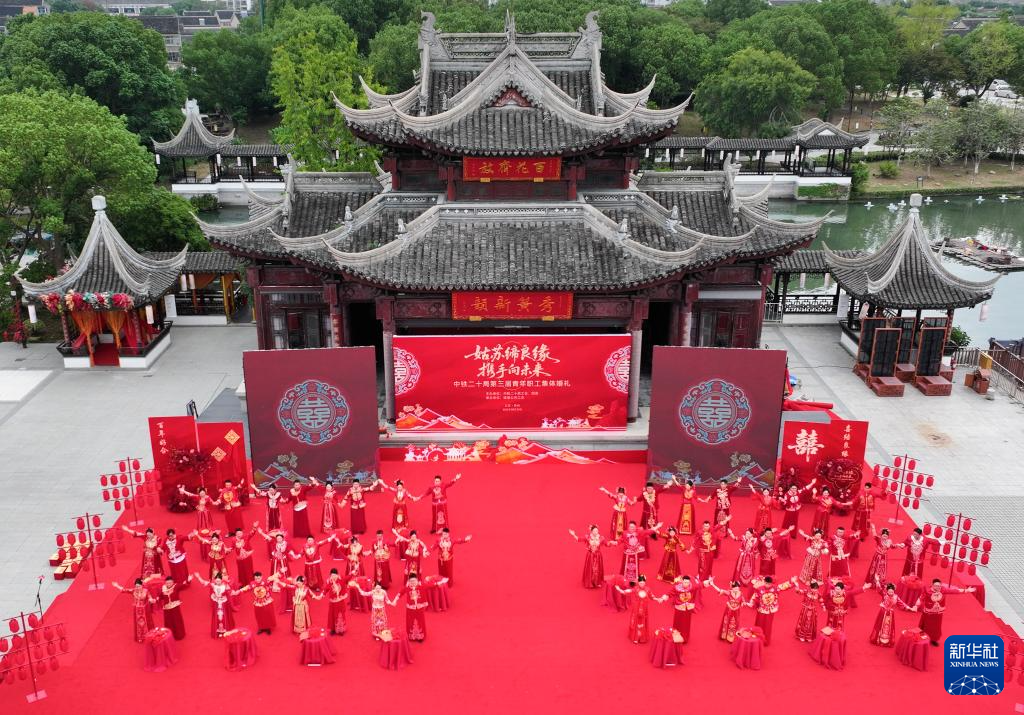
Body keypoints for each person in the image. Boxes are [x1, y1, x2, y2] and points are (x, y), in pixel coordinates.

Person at [915, 579, 975, 646]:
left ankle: (934, 639)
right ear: (932, 585)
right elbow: (921, 598)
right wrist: (916, 606)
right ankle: (924, 637)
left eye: (939, 586)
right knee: (926, 625)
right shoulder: (927, 590)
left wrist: (966, 590)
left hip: (938, 613)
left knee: (936, 627)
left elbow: (954, 591)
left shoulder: (943, 590)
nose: (937, 587)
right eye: (936, 586)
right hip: (929, 612)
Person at [615, 575, 668, 644]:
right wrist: (620, 590)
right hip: (636, 608)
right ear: (638, 582)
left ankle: (642, 637)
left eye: (643, 583)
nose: (642, 584)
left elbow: (652, 597)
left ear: (645, 582)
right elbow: (628, 591)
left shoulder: (648, 589)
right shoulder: (635, 589)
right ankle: (635, 637)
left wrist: (658, 599)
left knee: (642, 622)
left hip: (644, 608)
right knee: (636, 621)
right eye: (640, 583)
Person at [705, 577, 751, 643]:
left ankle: (731, 637)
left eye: (738, 588)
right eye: (735, 588)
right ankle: (724, 635)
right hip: (729, 610)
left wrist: (744, 603)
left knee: (734, 623)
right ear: (732, 588)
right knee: (726, 621)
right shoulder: (729, 592)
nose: (736, 589)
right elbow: (719, 590)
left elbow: (743, 601)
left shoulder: (741, 594)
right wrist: (713, 584)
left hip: (736, 611)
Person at [751, 576, 793, 645]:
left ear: (771, 583)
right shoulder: (759, 589)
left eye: (769, 584)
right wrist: (753, 604)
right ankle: (756, 639)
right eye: (766, 583)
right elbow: (755, 598)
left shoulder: (775, 588)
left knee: (768, 625)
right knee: (759, 624)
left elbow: (783, 586)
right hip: (761, 610)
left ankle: (765, 640)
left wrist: (791, 582)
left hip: (770, 610)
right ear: (764, 582)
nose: (767, 585)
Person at [869, 583, 915, 647]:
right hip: (883, 612)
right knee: (880, 625)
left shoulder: (896, 597)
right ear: (887, 591)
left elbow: (901, 603)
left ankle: (887, 641)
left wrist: (909, 608)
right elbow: (879, 589)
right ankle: (878, 639)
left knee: (889, 626)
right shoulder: (884, 594)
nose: (891, 593)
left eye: (892, 591)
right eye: (889, 591)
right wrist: (877, 582)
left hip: (890, 613)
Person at [192, 571, 236, 638]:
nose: (217, 582)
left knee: (224, 616)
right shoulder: (213, 585)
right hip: (216, 604)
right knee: (217, 617)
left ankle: (225, 630)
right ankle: (219, 631)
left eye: (219, 581)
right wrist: (198, 577)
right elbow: (203, 582)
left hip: (223, 603)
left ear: (221, 580)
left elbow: (231, 592)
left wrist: (234, 592)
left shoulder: (225, 586)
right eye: (216, 581)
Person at [111, 578, 155, 643]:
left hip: (145, 610)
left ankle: (149, 635)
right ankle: (140, 637)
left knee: (146, 622)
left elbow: (150, 597)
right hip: (137, 610)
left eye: (139, 586)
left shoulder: (146, 591)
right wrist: (117, 586)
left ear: (142, 585)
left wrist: (151, 600)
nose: (137, 588)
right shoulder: (133, 590)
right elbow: (124, 590)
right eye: (136, 586)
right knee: (138, 624)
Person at [399, 573, 434, 642]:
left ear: (417, 580)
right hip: (410, 609)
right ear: (409, 581)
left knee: (420, 621)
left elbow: (429, 586)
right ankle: (411, 636)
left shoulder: (421, 587)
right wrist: (394, 601)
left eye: (414, 581)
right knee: (410, 621)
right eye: (411, 581)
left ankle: (420, 636)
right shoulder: (407, 588)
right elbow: (400, 593)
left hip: (419, 608)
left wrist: (437, 584)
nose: (413, 583)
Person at [668, 575, 699, 642]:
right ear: (682, 581)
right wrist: (664, 597)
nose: (686, 584)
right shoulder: (677, 588)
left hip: (688, 609)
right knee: (678, 623)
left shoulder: (691, 587)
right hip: (679, 609)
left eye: (688, 582)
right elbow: (669, 594)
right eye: (685, 582)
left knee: (686, 624)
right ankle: (676, 637)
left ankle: (685, 638)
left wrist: (708, 582)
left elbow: (700, 586)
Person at [157, 575, 186, 640]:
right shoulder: (164, 588)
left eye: (170, 583)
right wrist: (157, 599)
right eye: (167, 583)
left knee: (176, 621)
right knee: (169, 622)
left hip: (175, 608)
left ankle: (179, 635)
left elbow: (183, 586)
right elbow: (161, 596)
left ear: (173, 582)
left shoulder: (176, 586)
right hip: (167, 609)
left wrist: (188, 581)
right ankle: (170, 636)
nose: (169, 584)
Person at [324, 569, 350, 635]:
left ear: (337, 575)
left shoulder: (341, 580)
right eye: (332, 575)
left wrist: (352, 573)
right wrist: (322, 595)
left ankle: (340, 629)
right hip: (332, 602)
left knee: (339, 615)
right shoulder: (329, 581)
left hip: (339, 602)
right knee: (332, 615)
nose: (333, 577)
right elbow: (326, 589)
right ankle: (333, 629)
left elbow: (347, 578)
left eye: (334, 575)